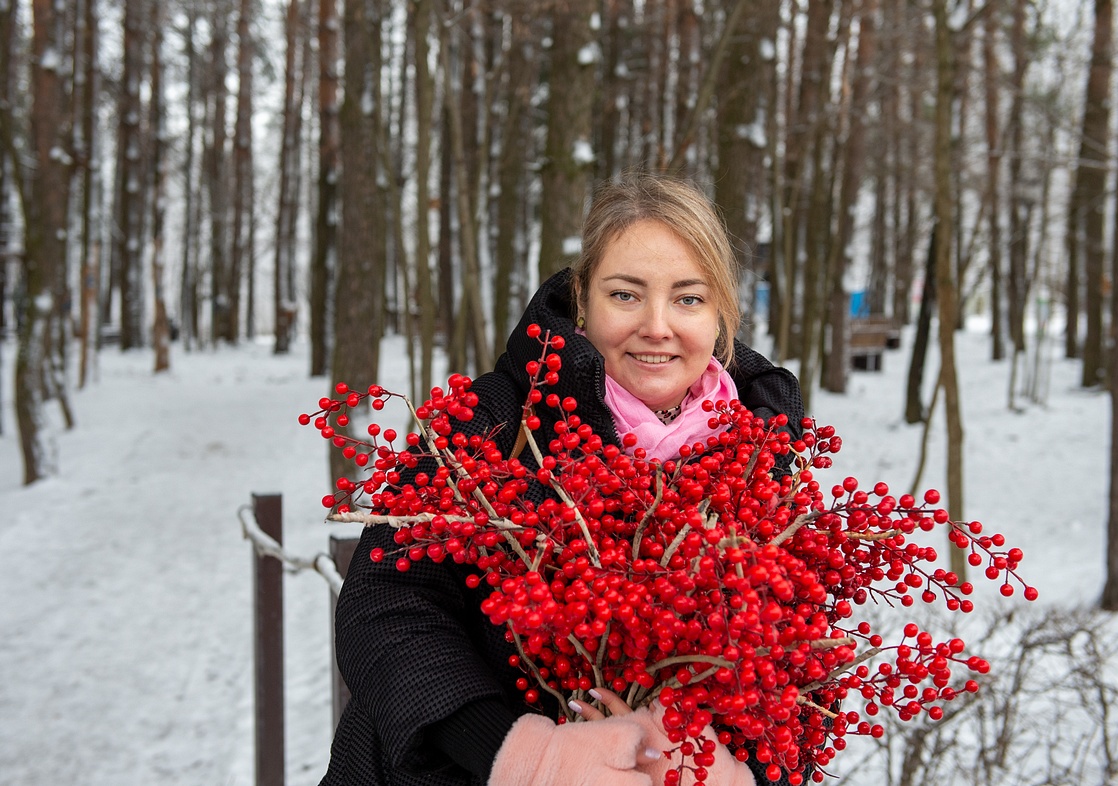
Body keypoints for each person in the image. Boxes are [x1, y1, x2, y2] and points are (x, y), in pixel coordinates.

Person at [320, 173, 804, 786]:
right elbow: (385, 608)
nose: (657, 326)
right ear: (582, 298)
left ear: (720, 314)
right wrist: (525, 757)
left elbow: (799, 668)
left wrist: (742, 775)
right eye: (626, 295)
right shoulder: (491, 424)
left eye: (688, 298)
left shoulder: (766, 456)